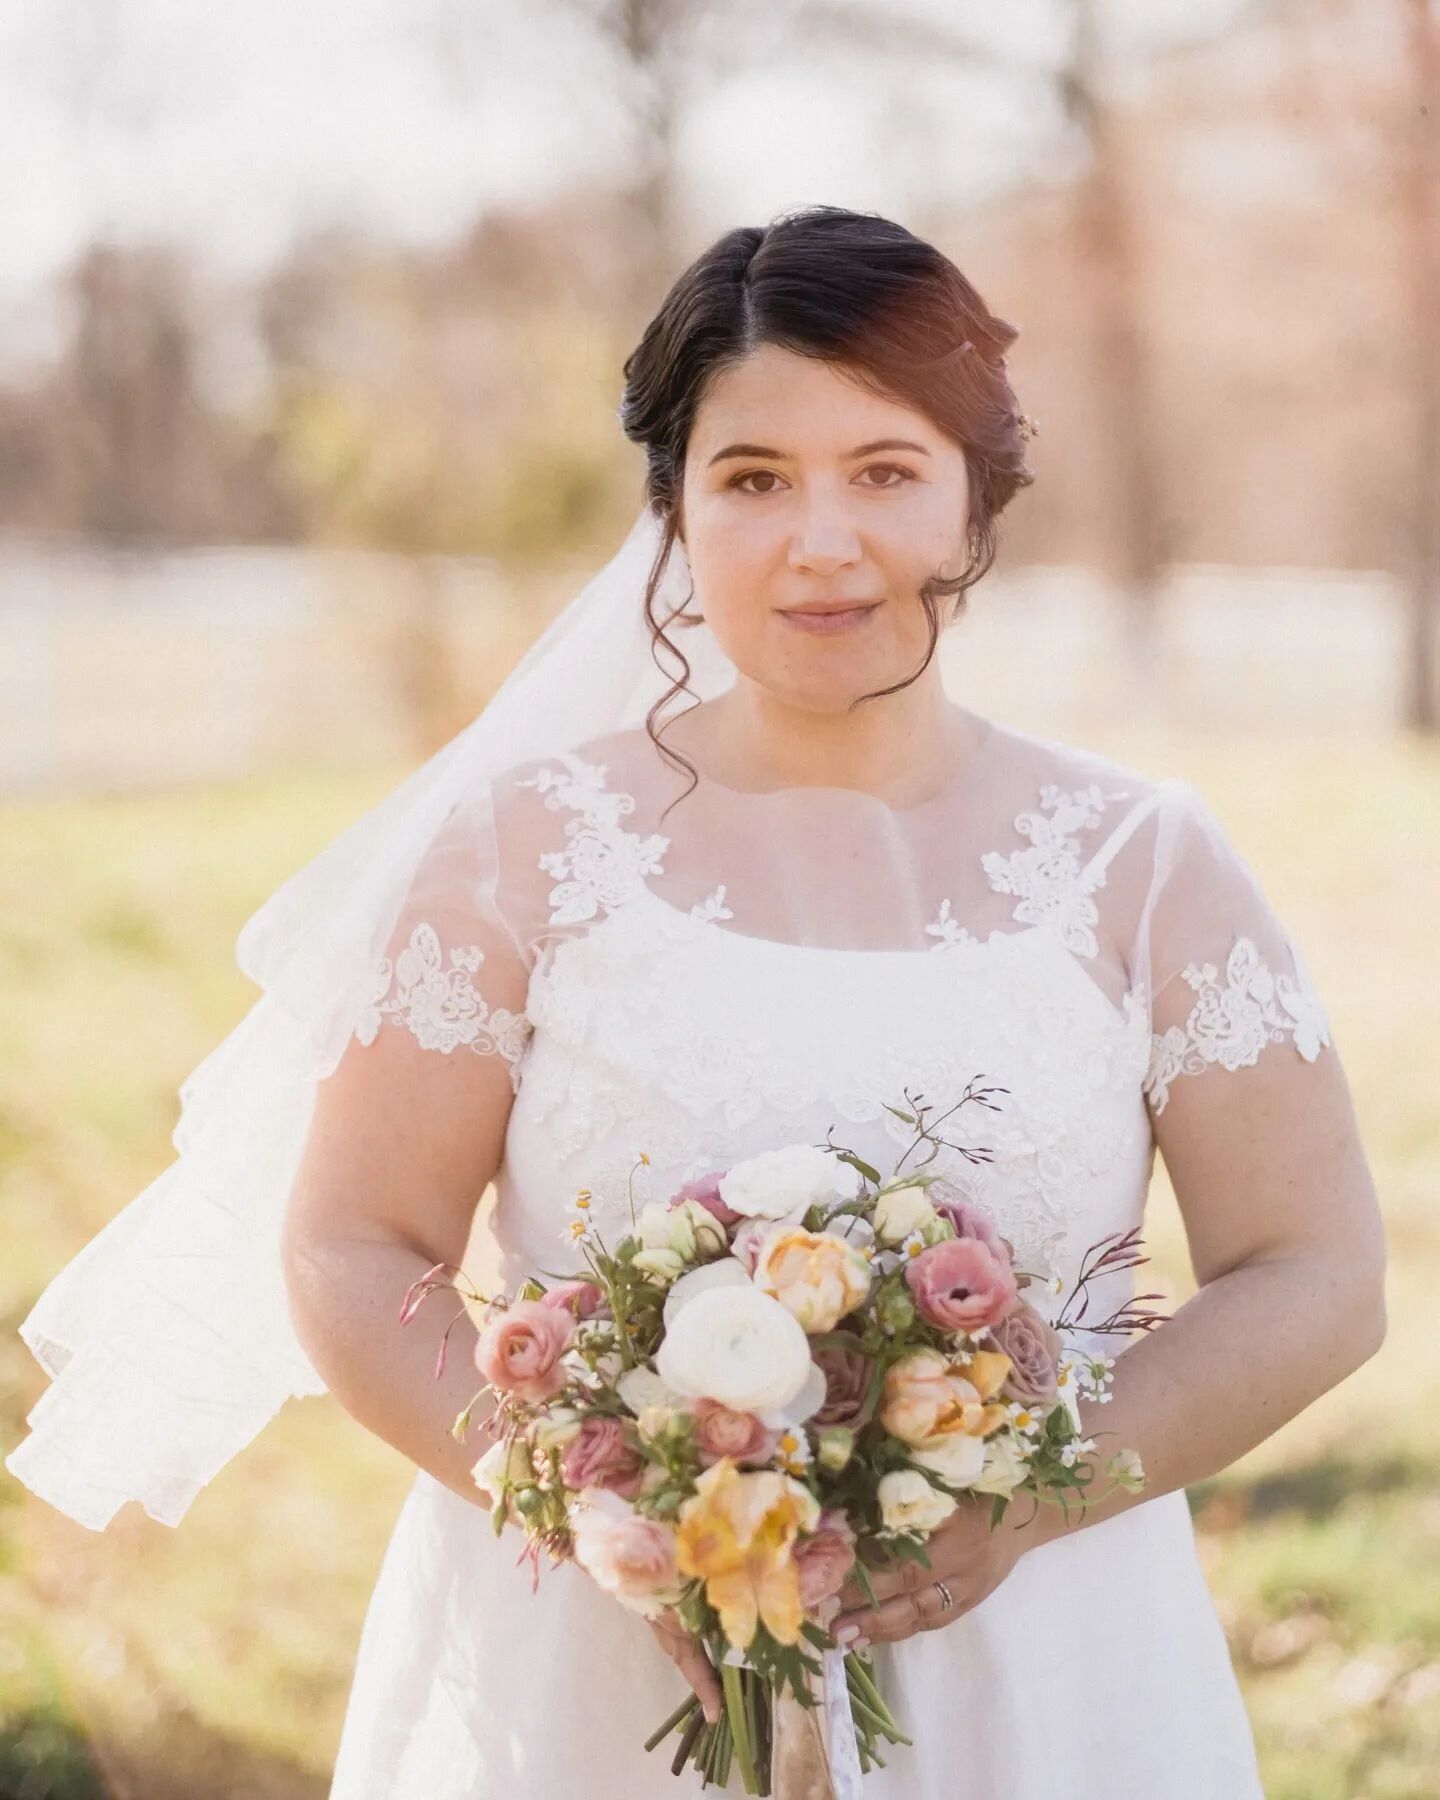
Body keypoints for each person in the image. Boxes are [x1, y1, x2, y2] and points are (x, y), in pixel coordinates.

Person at [7, 206, 1386, 1799]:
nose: (821, 539)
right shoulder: (524, 853)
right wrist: (597, 1506)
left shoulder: (1144, 867)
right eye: (752, 479)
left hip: (1043, 1671)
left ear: (973, 499)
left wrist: (1025, 1507)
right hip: (583, 1671)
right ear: (672, 506)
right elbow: (350, 1241)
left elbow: (1317, 1272)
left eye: (884, 469)